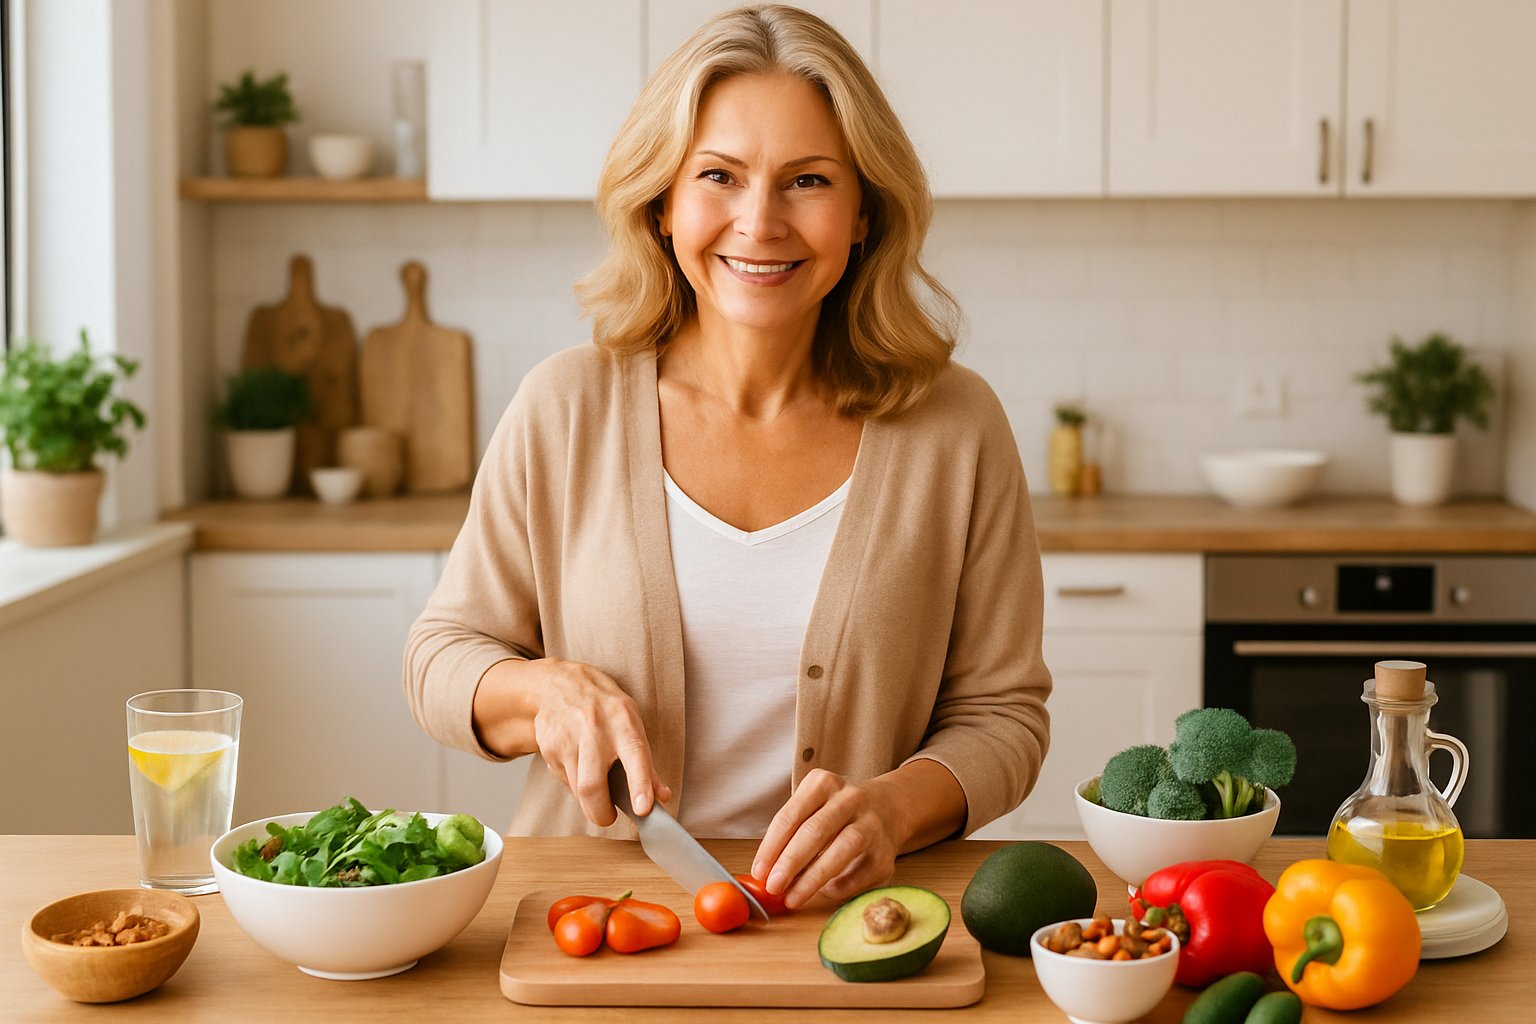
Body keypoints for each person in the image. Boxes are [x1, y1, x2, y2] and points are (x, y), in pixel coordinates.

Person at [405, 4, 1050, 911]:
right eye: (719, 175)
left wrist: (894, 810)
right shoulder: (566, 406)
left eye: (808, 180)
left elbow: (1006, 716)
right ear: (662, 202)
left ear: (863, 211)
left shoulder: (955, 426)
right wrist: (544, 689)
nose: (760, 221)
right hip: (595, 932)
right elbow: (440, 658)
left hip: (861, 931)